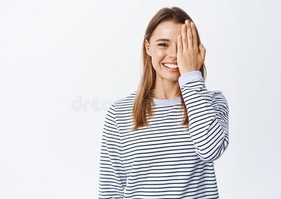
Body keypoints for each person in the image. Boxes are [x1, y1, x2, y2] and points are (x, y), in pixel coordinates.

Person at [98, 6, 229, 199]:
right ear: (148, 47)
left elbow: (211, 150)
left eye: (183, 45)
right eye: (163, 44)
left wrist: (191, 76)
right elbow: (111, 191)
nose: (174, 55)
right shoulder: (119, 112)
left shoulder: (213, 102)